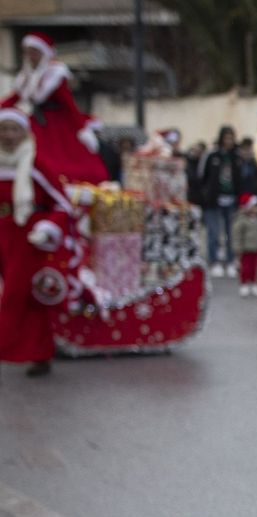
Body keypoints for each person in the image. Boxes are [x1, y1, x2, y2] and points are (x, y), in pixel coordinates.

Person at [0, 108, 74, 377]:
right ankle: (35, 351)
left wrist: (48, 227)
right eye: (3, 129)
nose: (8, 135)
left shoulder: (35, 163)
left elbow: (63, 204)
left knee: (18, 294)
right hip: (2, 233)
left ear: (24, 133)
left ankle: (25, 350)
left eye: (13, 129)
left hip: (25, 237)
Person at [2, 33, 106, 185]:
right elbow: (13, 99)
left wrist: (81, 129)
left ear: (44, 53)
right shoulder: (26, 76)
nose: (30, 56)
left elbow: (69, 104)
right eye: (28, 52)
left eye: (34, 52)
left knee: (60, 160)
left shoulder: (56, 74)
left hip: (57, 124)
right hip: (37, 122)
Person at [200, 125, 247, 277]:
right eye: (226, 137)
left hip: (232, 199)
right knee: (214, 232)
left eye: (231, 137)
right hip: (214, 200)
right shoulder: (212, 155)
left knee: (231, 232)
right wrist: (206, 195)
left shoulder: (237, 157)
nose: (229, 141)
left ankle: (231, 261)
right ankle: (214, 261)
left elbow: (242, 178)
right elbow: (202, 177)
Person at [230, 193, 257, 296]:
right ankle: (244, 284)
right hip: (246, 249)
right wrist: (237, 248)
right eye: (254, 206)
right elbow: (237, 234)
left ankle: (254, 284)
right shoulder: (241, 220)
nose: (256, 209)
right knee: (245, 268)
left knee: (255, 268)